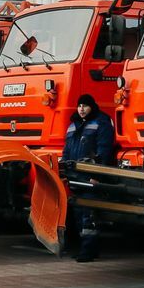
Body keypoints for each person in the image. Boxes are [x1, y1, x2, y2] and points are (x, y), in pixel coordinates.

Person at [59, 93, 116, 262]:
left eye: (85, 106)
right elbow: (66, 151)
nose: (82, 109)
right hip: (76, 177)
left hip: (90, 177)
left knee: (88, 215)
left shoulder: (101, 123)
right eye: (79, 106)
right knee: (78, 214)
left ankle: (88, 250)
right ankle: (87, 248)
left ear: (92, 107)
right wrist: (64, 170)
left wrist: (96, 174)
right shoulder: (72, 126)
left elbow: (104, 151)